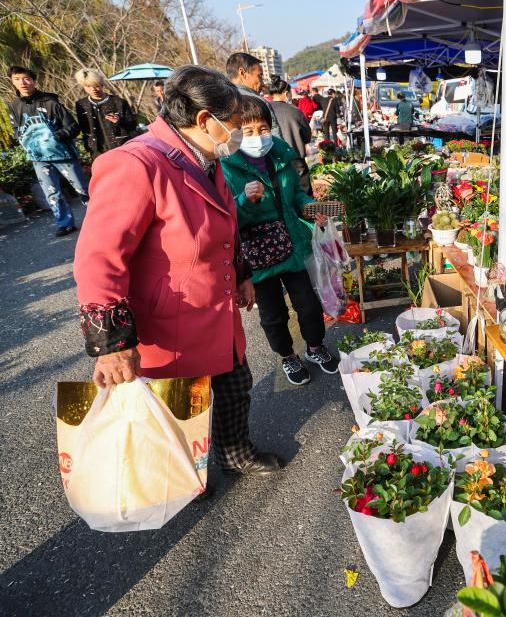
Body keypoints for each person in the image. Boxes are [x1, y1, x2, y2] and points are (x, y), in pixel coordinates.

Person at [73, 64, 284, 476]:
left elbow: (223, 223)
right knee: (182, 409)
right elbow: (99, 257)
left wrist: (240, 273)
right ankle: (184, 477)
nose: (239, 133)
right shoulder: (136, 164)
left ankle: (235, 452)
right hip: (171, 321)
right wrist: (112, 345)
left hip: (216, 308)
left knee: (235, 386)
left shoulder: (206, 157)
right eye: (235, 123)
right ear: (205, 120)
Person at [220, 94, 338, 386]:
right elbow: (226, 218)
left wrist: (310, 208)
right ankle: (287, 356)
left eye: (262, 129)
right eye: (248, 131)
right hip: (257, 255)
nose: (257, 137)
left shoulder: (280, 155)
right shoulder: (225, 167)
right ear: (235, 132)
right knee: (273, 315)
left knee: (308, 304)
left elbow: (295, 195)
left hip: (293, 245)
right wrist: (243, 200)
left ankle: (314, 347)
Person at [6, 65, 88, 237]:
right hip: (38, 158)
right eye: (17, 79)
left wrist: (57, 136)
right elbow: (16, 129)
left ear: (34, 81)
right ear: (12, 82)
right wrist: (22, 139)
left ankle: (98, 218)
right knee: (52, 193)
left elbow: (73, 127)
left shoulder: (50, 102)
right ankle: (65, 223)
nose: (22, 83)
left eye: (26, 79)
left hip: (63, 154)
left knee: (82, 189)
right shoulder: (14, 106)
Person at [73, 68, 140, 159]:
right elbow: (84, 129)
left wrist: (119, 121)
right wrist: (89, 146)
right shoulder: (81, 105)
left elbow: (133, 125)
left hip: (121, 148)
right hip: (97, 151)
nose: (93, 89)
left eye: (96, 85)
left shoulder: (118, 102)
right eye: (88, 86)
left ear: (102, 84)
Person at [266, 75, 312, 193]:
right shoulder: (295, 111)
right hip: (296, 158)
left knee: (283, 194)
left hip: (273, 159)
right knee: (304, 195)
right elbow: (307, 136)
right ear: (287, 94)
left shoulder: (264, 110)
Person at [225, 52, 281, 139]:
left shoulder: (219, 102)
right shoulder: (258, 102)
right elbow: (275, 139)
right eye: (260, 76)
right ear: (242, 73)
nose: (262, 83)